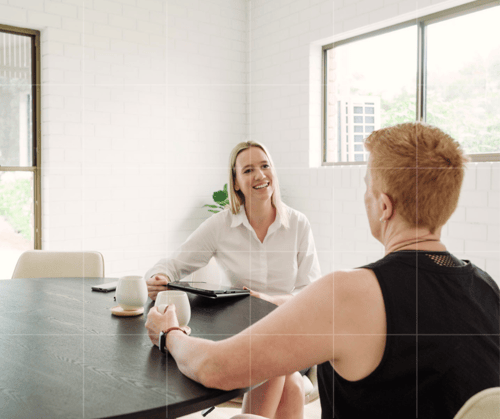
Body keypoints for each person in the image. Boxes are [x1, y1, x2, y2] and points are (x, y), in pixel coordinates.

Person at [145, 122, 500, 418]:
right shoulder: (488, 290)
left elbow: (215, 369)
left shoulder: (349, 293)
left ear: (384, 206)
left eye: (366, 186)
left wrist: (169, 333)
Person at [145, 140, 322, 418]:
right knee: (291, 384)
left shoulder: (298, 224)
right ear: (236, 182)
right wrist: (159, 277)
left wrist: (269, 299)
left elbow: (310, 292)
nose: (260, 175)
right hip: (243, 337)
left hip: (290, 331)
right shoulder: (222, 225)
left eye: (265, 166)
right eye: (249, 170)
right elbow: (173, 263)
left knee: (279, 372)